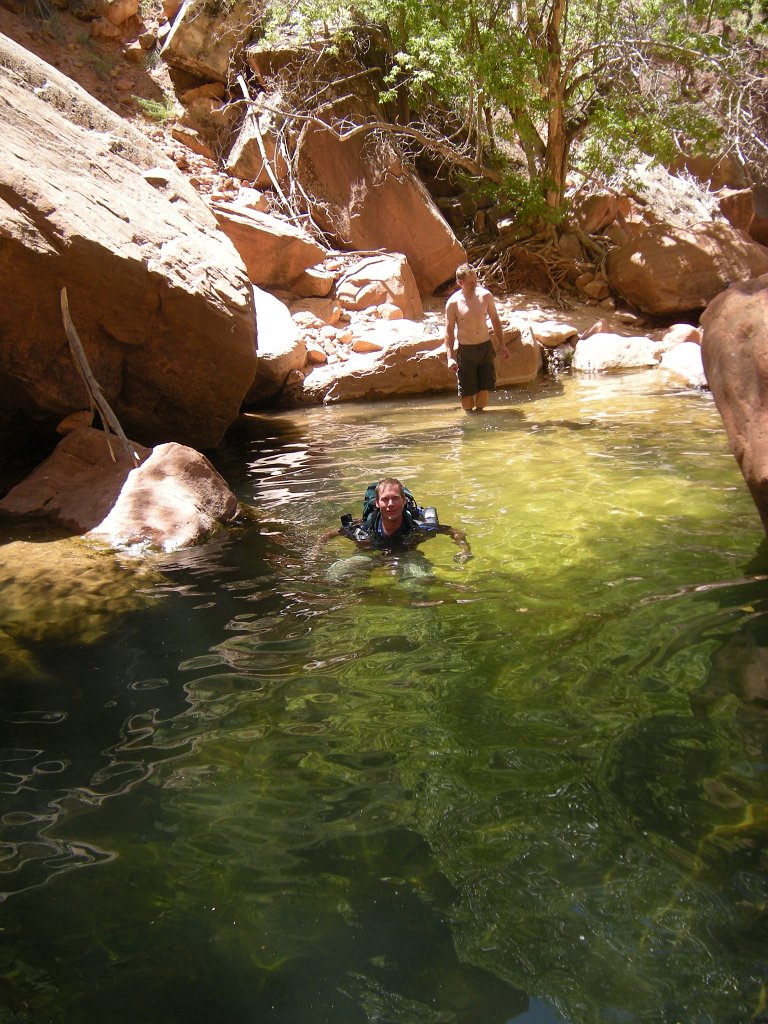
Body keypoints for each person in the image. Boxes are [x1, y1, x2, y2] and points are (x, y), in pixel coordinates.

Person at [315, 477, 472, 565]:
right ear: (377, 503)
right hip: (371, 554)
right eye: (385, 500)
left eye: (395, 498)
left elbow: (454, 531)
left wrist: (465, 550)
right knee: (338, 574)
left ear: (404, 501)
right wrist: (316, 550)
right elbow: (331, 533)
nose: (390, 504)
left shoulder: (417, 527)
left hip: (407, 555)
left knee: (421, 580)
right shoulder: (363, 529)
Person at [444, 263, 509, 413]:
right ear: (460, 283)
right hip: (466, 351)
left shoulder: (485, 296)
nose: (474, 285)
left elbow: (495, 320)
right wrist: (450, 357)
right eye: (470, 283)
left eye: (476, 281)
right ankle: (470, 423)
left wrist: (502, 345)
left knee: (484, 387)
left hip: (485, 348)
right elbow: (448, 331)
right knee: (467, 392)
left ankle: (481, 418)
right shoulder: (453, 303)